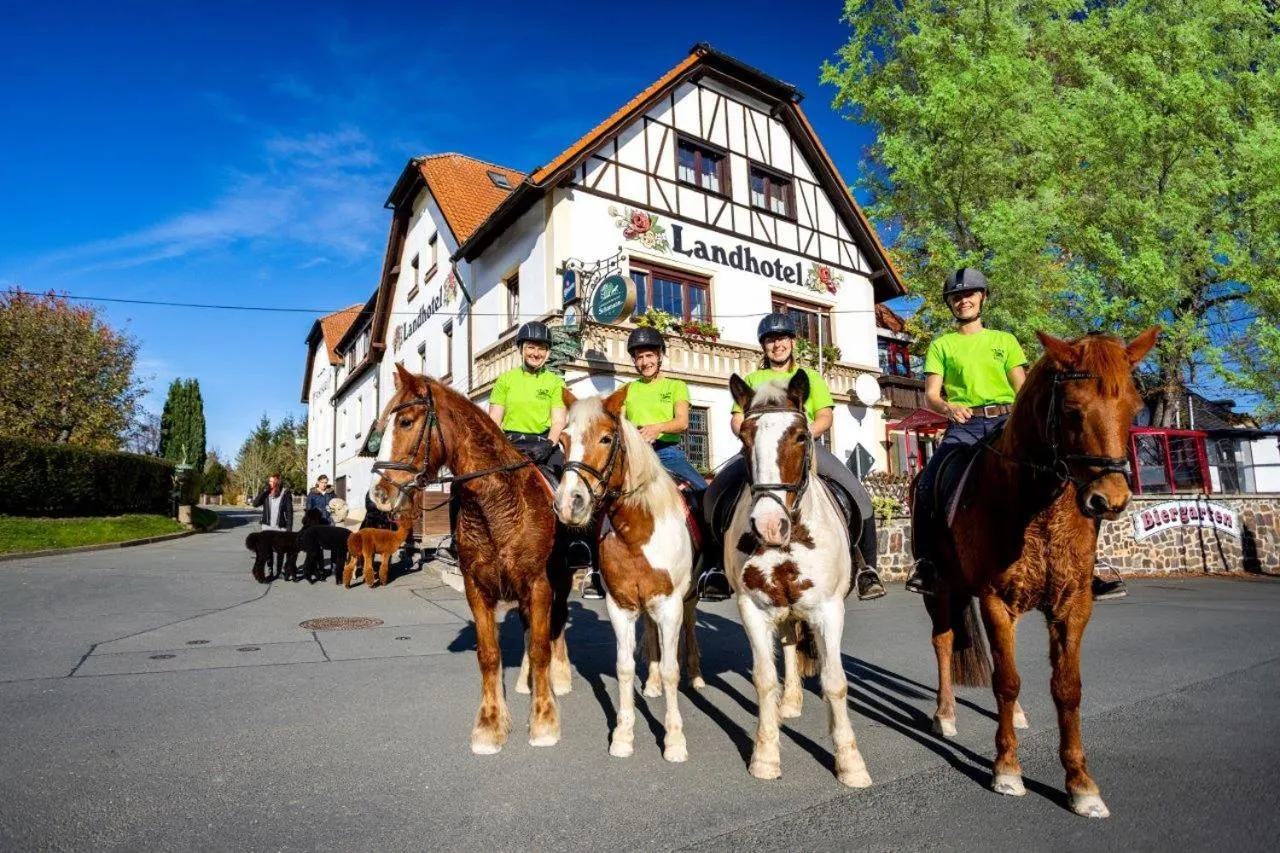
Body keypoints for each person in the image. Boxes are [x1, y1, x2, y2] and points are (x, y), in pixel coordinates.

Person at [905, 267, 1127, 601]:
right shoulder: (942, 345)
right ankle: (925, 562)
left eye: (969, 294)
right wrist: (950, 408)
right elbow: (932, 395)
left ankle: (1088, 568)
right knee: (927, 481)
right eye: (956, 297)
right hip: (964, 428)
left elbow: (1023, 390)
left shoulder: (1004, 341)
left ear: (983, 298)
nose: (963, 301)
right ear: (950, 304)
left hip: (1007, 422)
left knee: (1066, 478)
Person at [702, 312, 887, 601]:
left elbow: (825, 414)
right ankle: (716, 569)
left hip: (804, 447)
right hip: (759, 451)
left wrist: (806, 433)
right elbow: (737, 418)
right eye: (771, 340)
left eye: (782, 339)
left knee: (858, 495)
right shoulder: (753, 378)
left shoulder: (810, 377)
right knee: (715, 494)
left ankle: (866, 569)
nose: (777, 345)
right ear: (764, 346)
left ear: (792, 342)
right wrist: (748, 436)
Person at [442, 321, 595, 586]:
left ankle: (575, 543)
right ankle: (456, 541)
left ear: (548, 353)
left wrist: (549, 443)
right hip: (508, 443)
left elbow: (558, 420)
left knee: (564, 483)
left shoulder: (554, 381)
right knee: (463, 483)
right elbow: (494, 422)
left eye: (542, 349)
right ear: (522, 349)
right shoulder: (506, 380)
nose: (536, 353)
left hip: (543, 443)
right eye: (532, 347)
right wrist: (501, 448)